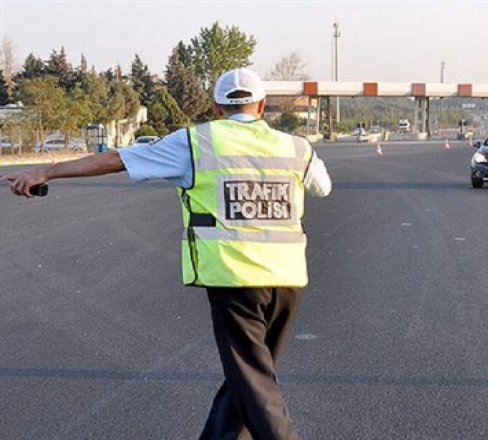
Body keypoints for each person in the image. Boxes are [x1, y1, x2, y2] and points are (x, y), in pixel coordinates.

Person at [1, 68, 331, 438]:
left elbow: (118, 159)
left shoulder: (196, 142)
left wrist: (48, 170)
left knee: (254, 384)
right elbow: (322, 187)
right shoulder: (296, 147)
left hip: (234, 276)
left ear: (215, 107)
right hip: (287, 280)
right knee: (250, 378)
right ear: (263, 105)